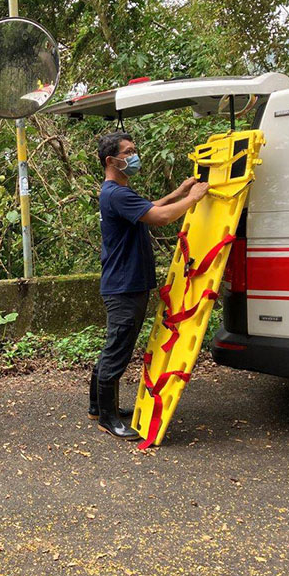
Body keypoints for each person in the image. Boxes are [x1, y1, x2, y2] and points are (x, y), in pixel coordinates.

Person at [92, 132, 208, 439]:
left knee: (113, 345)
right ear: (111, 161)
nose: (133, 156)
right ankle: (107, 417)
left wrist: (178, 192)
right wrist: (192, 198)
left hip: (123, 283)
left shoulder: (115, 193)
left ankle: (99, 406)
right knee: (118, 349)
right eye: (127, 152)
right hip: (125, 286)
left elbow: (148, 206)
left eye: (133, 149)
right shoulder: (117, 194)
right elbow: (159, 217)